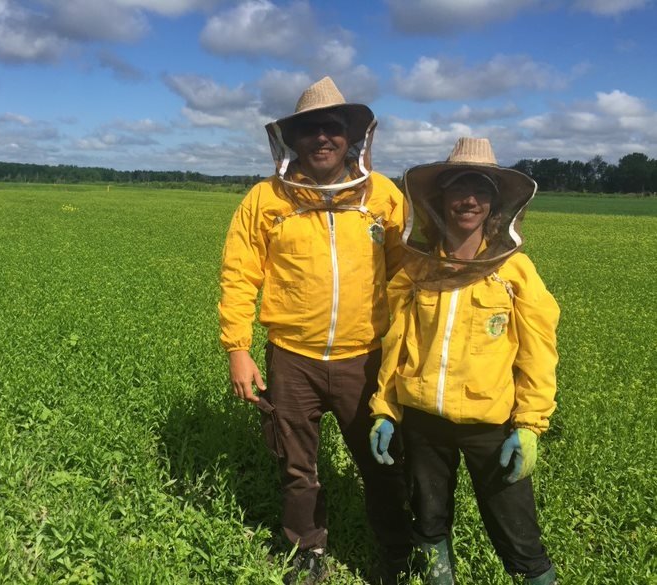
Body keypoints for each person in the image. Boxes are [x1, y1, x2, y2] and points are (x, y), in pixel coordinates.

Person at [218, 76, 412, 583]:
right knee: (296, 465)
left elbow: (406, 276)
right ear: (292, 139)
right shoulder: (266, 199)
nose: (322, 138)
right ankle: (307, 550)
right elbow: (239, 274)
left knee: (382, 461)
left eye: (333, 128)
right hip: (291, 358)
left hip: (364, 357)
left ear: (352, 137)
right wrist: (238, 349)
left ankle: (396, 551)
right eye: (310, 130)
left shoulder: (384, 196)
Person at [368, 137, 560, 584]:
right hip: (423, 422)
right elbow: (395, 344)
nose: (468, 200)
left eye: (480, 189)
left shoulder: (515, 273)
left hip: (490, 426)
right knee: (429, 520)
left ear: (495, 203)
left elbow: (538, 352)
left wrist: (530, 424)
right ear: (440, 199)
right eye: (458, 188)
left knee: (518, 533)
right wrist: (385, 408)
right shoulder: (416, 271)